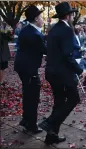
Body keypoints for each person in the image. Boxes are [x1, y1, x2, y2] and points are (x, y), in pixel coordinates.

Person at [38, 2, 86, 145]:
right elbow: (67, 55)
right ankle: (49, 122)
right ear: (67, 15)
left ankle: (51, 136)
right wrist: (80, 70)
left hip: (52, 72)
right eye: (71, 14)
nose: (72, 16)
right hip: (62, 74)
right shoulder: (66, 30)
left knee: (59, 103)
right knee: (74, 99)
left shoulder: (54, 29)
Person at [14, 5, 46, 133]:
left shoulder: (26, 30)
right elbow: (45, 50)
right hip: (29, 68)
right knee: (33, 96)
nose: (42, 19)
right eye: (40, 17)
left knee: (28, 94)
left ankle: (26, 119)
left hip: (22, 66)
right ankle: (31, 124)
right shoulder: (35, 34)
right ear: (36, 19)